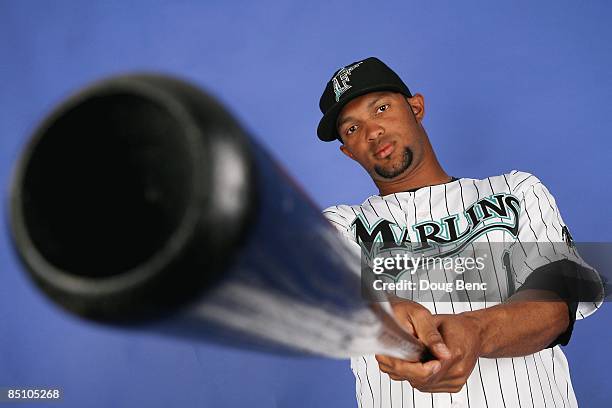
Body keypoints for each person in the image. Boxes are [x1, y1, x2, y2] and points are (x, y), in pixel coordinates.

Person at [318, 57, 604, 408]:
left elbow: (557, 303)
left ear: (416, 107)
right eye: (352, 128)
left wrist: (476, 331)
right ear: (348, 152)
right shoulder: (343, 224)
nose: (372, 131)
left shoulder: (515, 191)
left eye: (381, 108)